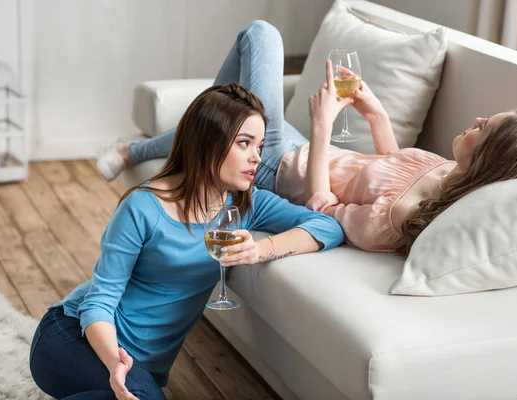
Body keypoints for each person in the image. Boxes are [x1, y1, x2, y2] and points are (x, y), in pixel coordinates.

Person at [29, 29, 345, 400]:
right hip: (75, 338)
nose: (257, 157)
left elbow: (327, 225)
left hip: (139, 366)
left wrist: (260, 250)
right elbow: (99, 303)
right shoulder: (142, 207)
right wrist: (116, 364)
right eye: (244, 144)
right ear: (208, 142)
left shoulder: (246, 204)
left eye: (259, 145)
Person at [97, 20, 517, 257]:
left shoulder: (400, 218)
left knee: (259, 35)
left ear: (489, 160)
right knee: (221, 125)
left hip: (280, 168)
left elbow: (321, 208)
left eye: (484, 128)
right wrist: (375, 112)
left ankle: (147, 145)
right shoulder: (449, 176)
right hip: (301, 150)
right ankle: (133, 150)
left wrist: (321, 127)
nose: (475, 119)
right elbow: (397, 164)